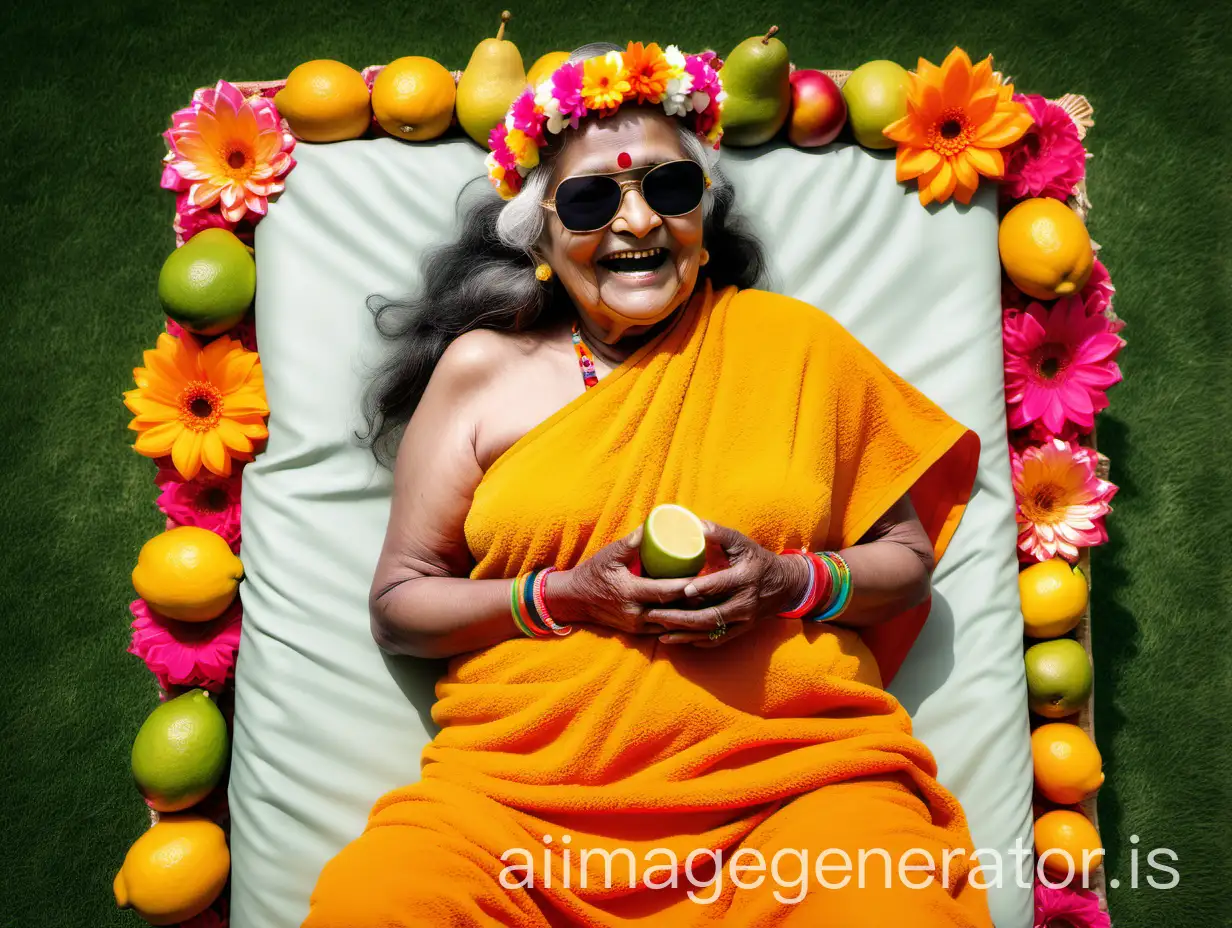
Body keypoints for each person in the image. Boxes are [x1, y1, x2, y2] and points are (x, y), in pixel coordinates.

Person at [304, 41, 989, 927]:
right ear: (539, 236)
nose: (637, 224)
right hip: (511, 814)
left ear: (703, 217)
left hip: (796, 799)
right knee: (380, 905)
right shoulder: (481, 372)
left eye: (668, 190)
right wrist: (567, 595)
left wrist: (791, 581)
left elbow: (906, 560)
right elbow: (400, 602)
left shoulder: (796, 345)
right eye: (591, 200)